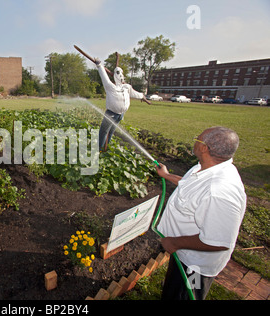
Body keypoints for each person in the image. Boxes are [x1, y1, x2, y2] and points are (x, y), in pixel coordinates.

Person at [155, 126, 247, 300]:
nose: (195, 140)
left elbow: (218, 241)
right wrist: (167, 176)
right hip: (184, 253)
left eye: (197, 139)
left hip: (195, 264)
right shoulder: (205, 168)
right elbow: (190, 186)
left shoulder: (219, 192)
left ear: (204, 148)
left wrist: (174, 243)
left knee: (184, 295)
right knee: (172, 291)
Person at [94, 58, 148, 151]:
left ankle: (105, 148)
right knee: (104, 131)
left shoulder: (126, 87)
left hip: (120, 115)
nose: (120, 76)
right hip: (111, 114)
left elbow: (135, 93)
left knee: (110, 132)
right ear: (115, 76)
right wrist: (99, 65)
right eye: (118, 73)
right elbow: (104, 77)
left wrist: (142, 97)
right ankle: (99, 149)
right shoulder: (110, 87)